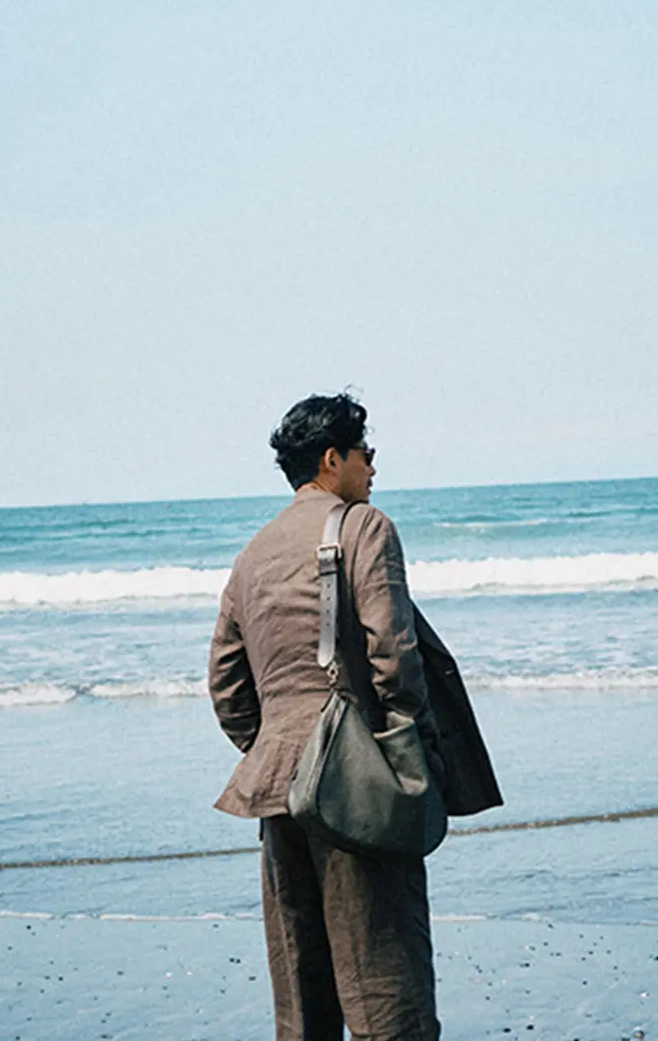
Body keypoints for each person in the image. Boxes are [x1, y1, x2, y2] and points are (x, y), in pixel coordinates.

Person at [209, 392, 500, 1041]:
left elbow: (226, 685)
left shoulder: (252, 554)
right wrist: (403, 756)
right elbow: (392, 655)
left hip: (277, 787)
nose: (373, 465)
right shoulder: (364, 527)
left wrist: (279, 745)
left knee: (302, 996)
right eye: (365, 451)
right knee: (386, 988)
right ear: (331, 458)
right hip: (358, 778)